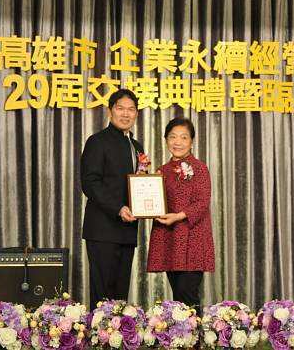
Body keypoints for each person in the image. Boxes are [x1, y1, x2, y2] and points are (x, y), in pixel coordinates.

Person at [80, 89, 143, 306]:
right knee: (102, 297)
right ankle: (99, 330)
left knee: (120, 297)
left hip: (127, 231)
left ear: (136, 114)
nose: (126, 114)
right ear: (110, 111)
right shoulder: (97, 141)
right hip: (102, 230)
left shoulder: (136, 146)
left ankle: (118, 330)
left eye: (131, 109)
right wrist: (118, 208)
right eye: (120, 108)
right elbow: (90, 183)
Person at [147, 117, 215, 310]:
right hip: (170, 240)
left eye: (184, 137)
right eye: (173, 137)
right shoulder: (161, 171)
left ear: (191, 142)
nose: (177, 142)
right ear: (166, 140)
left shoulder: (200, 168)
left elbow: (202, 203)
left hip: (192, 239)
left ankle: (194, 330)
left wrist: (178, 216)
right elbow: (153, 201)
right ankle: (182, 330)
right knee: (178, 297)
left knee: (188, 295)